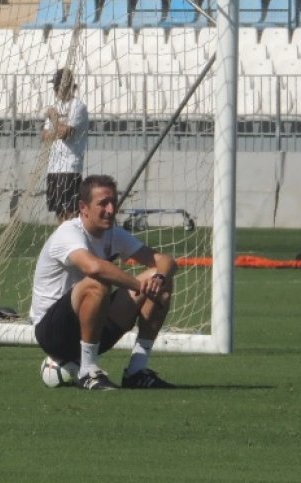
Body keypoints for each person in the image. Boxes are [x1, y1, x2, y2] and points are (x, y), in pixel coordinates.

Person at [30, 174, 177, 391]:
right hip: (53, 334)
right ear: (84, 207)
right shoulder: (68, 232)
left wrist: (159, 278)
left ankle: (137, 371)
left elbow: (165, 261)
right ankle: (88, 371)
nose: (110, 210)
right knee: (97, 282)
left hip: (91, 329)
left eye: (113, 203)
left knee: (160, 281)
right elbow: (94, 268)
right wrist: (139, 287)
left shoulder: (114, 234)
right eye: (103, 204)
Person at [41, 68, 88, 223]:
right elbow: (45, 136)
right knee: (59, 215)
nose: (55, 90)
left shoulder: (77, 106)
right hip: (53, 168)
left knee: (71, 215)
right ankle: (64, 245)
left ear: (67, 86)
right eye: (54, 87)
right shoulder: (56, 106)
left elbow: (65, 134)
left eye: (57, 86)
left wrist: (55, 121)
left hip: (70, 168)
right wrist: (57, 126)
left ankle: (72, 245)